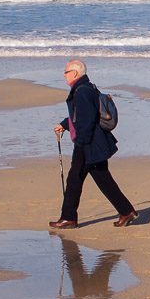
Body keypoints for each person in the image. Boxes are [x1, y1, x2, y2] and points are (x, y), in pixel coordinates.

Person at [51, 59, 138, 228]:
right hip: (92, 143)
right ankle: (126, 211)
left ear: (75, 73)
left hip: (88, 144)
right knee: (102, 179)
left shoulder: (82, 91)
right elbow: (80, 116)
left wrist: (81, 144)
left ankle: (68, 218)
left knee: (75, 179)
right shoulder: (86, 88)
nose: (64, 75)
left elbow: (86, 120)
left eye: (66, 72)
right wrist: (64, 124)